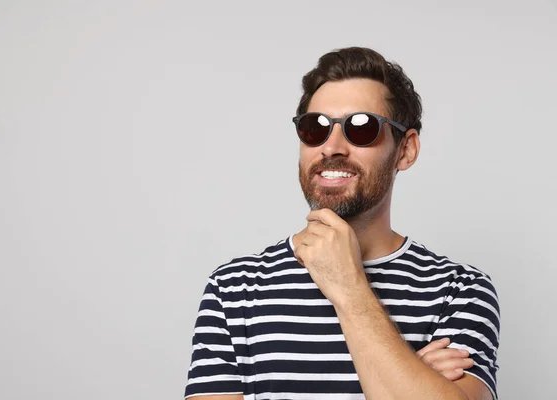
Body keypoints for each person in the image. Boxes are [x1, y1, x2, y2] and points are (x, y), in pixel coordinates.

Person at [184, 47, 500, 400]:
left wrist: (348, 287)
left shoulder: (460, 290)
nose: (331, 147)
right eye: (314, 128)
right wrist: (411, 377)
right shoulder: (233, 290)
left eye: (361, 128)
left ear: (406, 150)